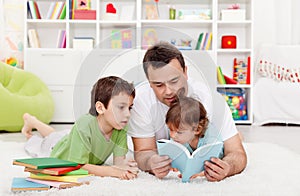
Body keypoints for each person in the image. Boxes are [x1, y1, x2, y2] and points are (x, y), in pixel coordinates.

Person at [128, 41, 247, 182]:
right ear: (149, 82)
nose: (168, 91)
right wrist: (150, 162)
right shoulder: (141, 100)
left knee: (229, 139)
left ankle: (237, 133)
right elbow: (143, 152)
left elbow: (237, 153)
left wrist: (227, 167)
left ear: (185, 72)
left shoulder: (210, 99)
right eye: (158, 85)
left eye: (174, 81)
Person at [22, 76, 139, 180]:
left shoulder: (120, 125)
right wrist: (112, 171)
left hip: (69, 139)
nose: (128, 114)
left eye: (129, 108)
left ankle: (33, 121)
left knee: (55, 135)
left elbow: (119, 161)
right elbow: (78, 166)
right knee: (43, 140)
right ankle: (31, 123)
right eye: (121, 107)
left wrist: (125, 167)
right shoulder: (84, 126)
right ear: (100, 108)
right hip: (54, 148)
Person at [165, 91, 223, 180]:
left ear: (197, 129)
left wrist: (201, 173)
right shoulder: (178, 137)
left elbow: (214, 163)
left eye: (179, 132)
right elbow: (174, 154)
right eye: (170, 130)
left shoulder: (211, 140)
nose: (172, 135)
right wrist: (175, 164)